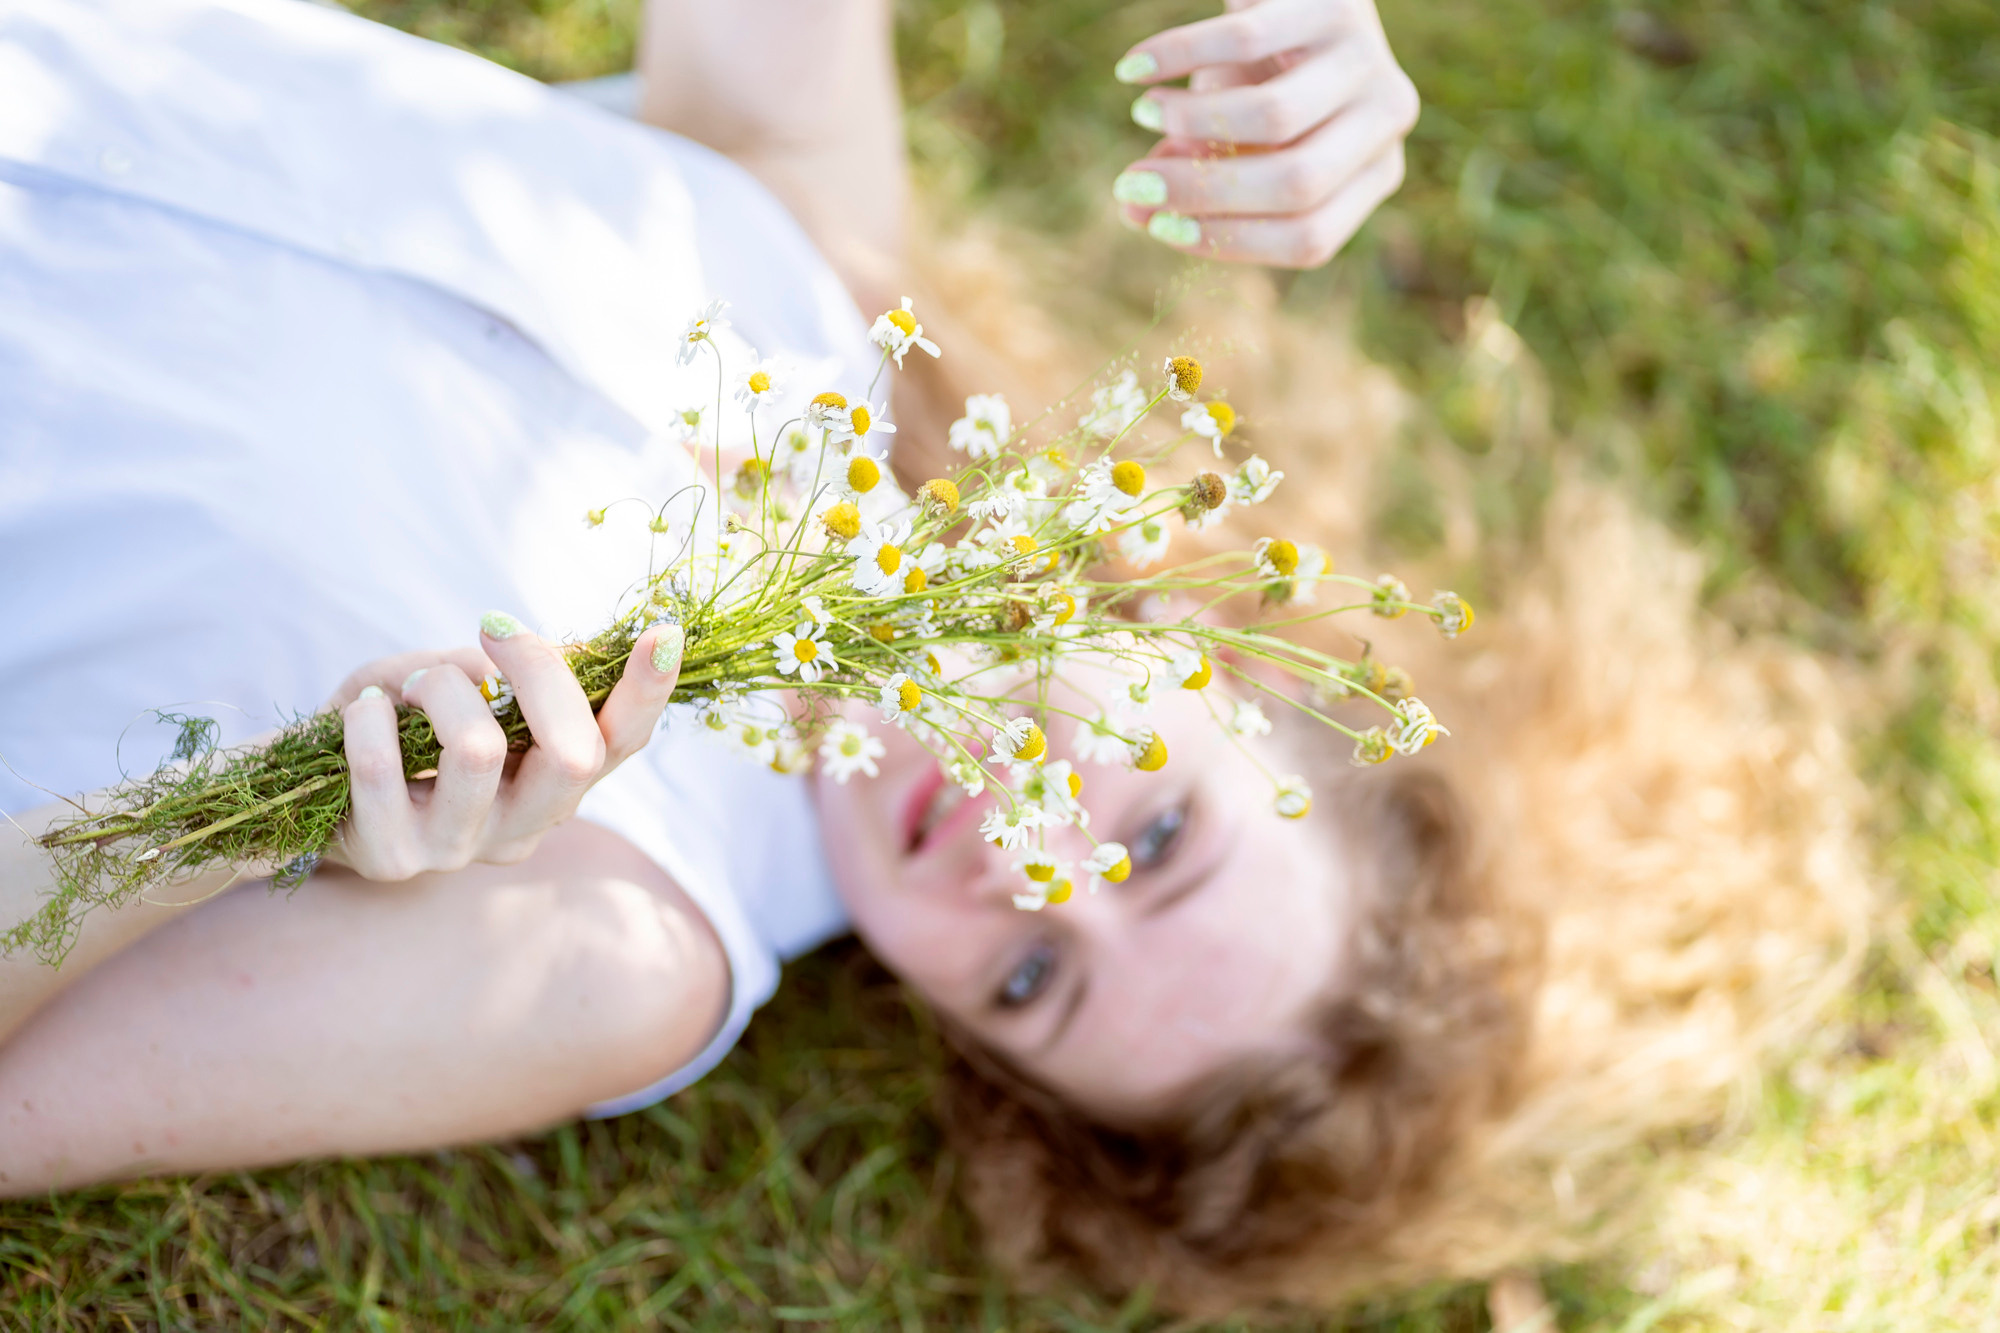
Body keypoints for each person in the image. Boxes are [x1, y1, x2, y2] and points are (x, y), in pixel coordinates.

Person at [0, 0, 1866, 1319]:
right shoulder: (831, 265)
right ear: (1237, 673)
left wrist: (231, 818)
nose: (1020, 871)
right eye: (1154, 837)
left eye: (1038, 975)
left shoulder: (623, 935)